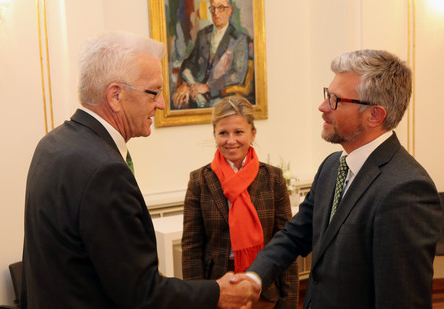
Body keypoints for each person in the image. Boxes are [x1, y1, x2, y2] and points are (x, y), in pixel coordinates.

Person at [21, 31, 259, 309]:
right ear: (115, 96)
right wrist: (218, 294)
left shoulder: (53, 143)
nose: (160, 103)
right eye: (154, 92)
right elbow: (141, 293)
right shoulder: (104, 171)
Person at [238, 50, 443, 308]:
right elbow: (295, 235)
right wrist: (254, 278)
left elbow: (401, 300)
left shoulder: (406, 190)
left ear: (374, 115)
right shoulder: (333, 166)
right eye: (327, 94)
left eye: (335, 100)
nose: (323, 107)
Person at [181, 96, 299, 309]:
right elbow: (192, 248)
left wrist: (288, 303)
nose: (231, 140)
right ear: (215, 134)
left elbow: (286, 244)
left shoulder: (273, 178)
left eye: (238, 132)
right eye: (223, 133)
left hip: (263, 285)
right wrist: (196, 300)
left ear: (253, 133)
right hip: (216, 288)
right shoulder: (199, 180)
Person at [172, 0, 250, 109]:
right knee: (176, 102)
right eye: (212, 8)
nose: (216, 13)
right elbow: (190, 62)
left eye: (221, 8)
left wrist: (208, 87)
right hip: (196, 93)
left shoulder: (239, 39)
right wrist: (186, 84)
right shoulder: (203, 34)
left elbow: (237, 74)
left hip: (221, 95)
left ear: (229, 11)